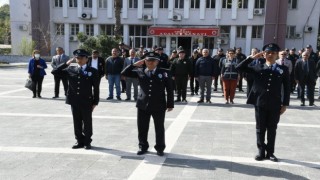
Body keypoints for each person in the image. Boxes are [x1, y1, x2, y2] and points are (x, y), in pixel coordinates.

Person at [236, 43, 290, 162]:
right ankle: (261, 151)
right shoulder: (258, 67)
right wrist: (252, 57)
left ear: (277, 55)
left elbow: (287, 87)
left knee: (272, 128)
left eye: (273, 53)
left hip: (275, 104)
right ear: (264, 54)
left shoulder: (283, 69)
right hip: (260, 102)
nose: (270, 55)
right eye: (268, 52)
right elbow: (239, 67)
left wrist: (285, 104)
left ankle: (270, 152)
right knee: (260, 128)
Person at [121, 52, 174, 156]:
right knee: (142, 127)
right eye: (148, 60)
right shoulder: (140, 71)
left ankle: (160, 147)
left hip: (159, 105)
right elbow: (124, 72)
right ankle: (143, 146)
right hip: (142, 104)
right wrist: (134, 64)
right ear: (145, 61)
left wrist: (170, 104)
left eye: (153, 60)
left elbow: (170, 89)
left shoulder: (164, 72)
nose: (150, 62)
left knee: (159, 128)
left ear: (157, 62)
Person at [57, 49, 100, 150]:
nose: (78, 60)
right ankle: (79, 141)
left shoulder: (92, 71)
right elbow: (55, 71)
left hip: (86, 101)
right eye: (77, 58)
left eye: (81, 58)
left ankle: (87, 141)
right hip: (74, 100)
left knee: (87, 122)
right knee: (76, 122)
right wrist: (65, 64)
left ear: (86, 59)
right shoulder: (70, 69)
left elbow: (96, 88)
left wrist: (95, 102)